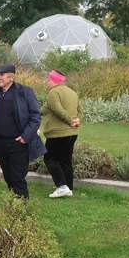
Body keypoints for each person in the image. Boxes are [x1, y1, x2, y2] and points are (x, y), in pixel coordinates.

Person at [0, 64, 46, 199]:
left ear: (11, 77)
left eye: (1, 75)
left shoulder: (25, 92)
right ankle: (15, 206)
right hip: (0, 143)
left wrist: (25, 136)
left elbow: (35, 116)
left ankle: (22, 211)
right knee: (8, 177)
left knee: (17, 178)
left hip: (18, 143)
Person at [41, 70, 82, 198]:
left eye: (48, 79)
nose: (47, 82)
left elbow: (58, 110)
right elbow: (80, 111)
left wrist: (70, 121)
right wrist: (76, 121)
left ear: (54, 80)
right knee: (65, 160)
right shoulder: (72, 92)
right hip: (72, 133)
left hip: (57, 133)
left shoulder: (53, 92)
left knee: (49, 158)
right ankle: (68, 188)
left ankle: (61, 186)